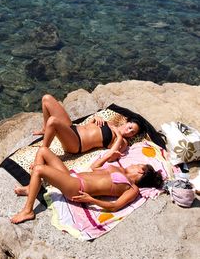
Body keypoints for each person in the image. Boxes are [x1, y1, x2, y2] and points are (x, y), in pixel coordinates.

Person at [10, 146, 164, 224]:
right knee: (43, 150)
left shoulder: (132, 188)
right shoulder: (119, 167)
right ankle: (32, 187)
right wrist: (108, 156)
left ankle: (28, 211)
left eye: (138, 164)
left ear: (141, 172)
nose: (134, 163)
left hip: (77, 188)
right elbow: (95, 168)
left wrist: (92, 200)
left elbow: (116, 206)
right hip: (72, 177)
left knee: (39, 169)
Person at [32, 94, 166, 156]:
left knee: (53, 121)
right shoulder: (110, 122)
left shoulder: (123, 142)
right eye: (130, 127)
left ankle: (42, 154)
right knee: (46, 99)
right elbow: (88, 126)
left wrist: (118, 135)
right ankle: (46, 129)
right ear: (126, 122)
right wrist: (95, 118)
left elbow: (112, 156)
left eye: (133, 133)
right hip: (72, 129)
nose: (129, 131)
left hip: (76, 143)